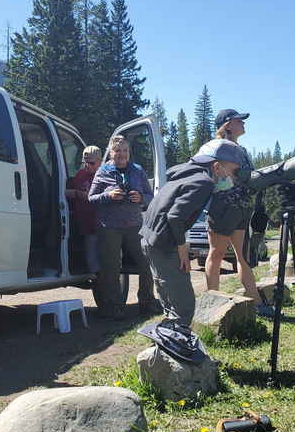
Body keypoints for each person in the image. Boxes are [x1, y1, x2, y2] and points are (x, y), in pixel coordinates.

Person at [140, 139, 246, 326]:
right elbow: (175, 217)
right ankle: (177, 345)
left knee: (169, 296)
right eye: (234, 171)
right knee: (185, 306)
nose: (236, 177)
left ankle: (167, 342)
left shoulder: (189, 173)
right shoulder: (203, 182)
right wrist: (182, 248)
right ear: (217, 166)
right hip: (165, 241)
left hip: (149, 237)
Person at [205, 109, 274, 317]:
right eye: (239, 121)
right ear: (227, 126)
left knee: (242, 258)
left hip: (242, 209)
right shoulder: (214, 147)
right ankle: (212, 305)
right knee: (216, 255)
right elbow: (208, 174)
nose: (243, 124)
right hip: (222, 207)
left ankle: (258, 304)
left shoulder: (241, 149)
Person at [88, 135, 159, 321]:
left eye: (125, 151)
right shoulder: (103, 171)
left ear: (129, 152)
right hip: (109, 227)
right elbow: (91, 198)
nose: (122, 154)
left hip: (135, 225)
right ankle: (116, 306)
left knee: (146, 262)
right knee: (112, 268)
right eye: (118, 151)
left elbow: (151, 196)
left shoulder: (137, 170)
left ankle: (147, 302)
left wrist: (140, 198)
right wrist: (108, 195)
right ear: (111, 153)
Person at [65, 146, 107, 316]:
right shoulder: (79, 176)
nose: (87, 166)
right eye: (85, 162)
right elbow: (74, 194)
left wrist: (85, 195)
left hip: (105, 228)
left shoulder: (106, 176)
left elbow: (105, 199)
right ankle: (105, 300)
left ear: (100, 161)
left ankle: (108, 301)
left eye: (91, 163)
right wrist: (69, 193)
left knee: (108, 266)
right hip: (87, 229)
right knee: (95, 266)